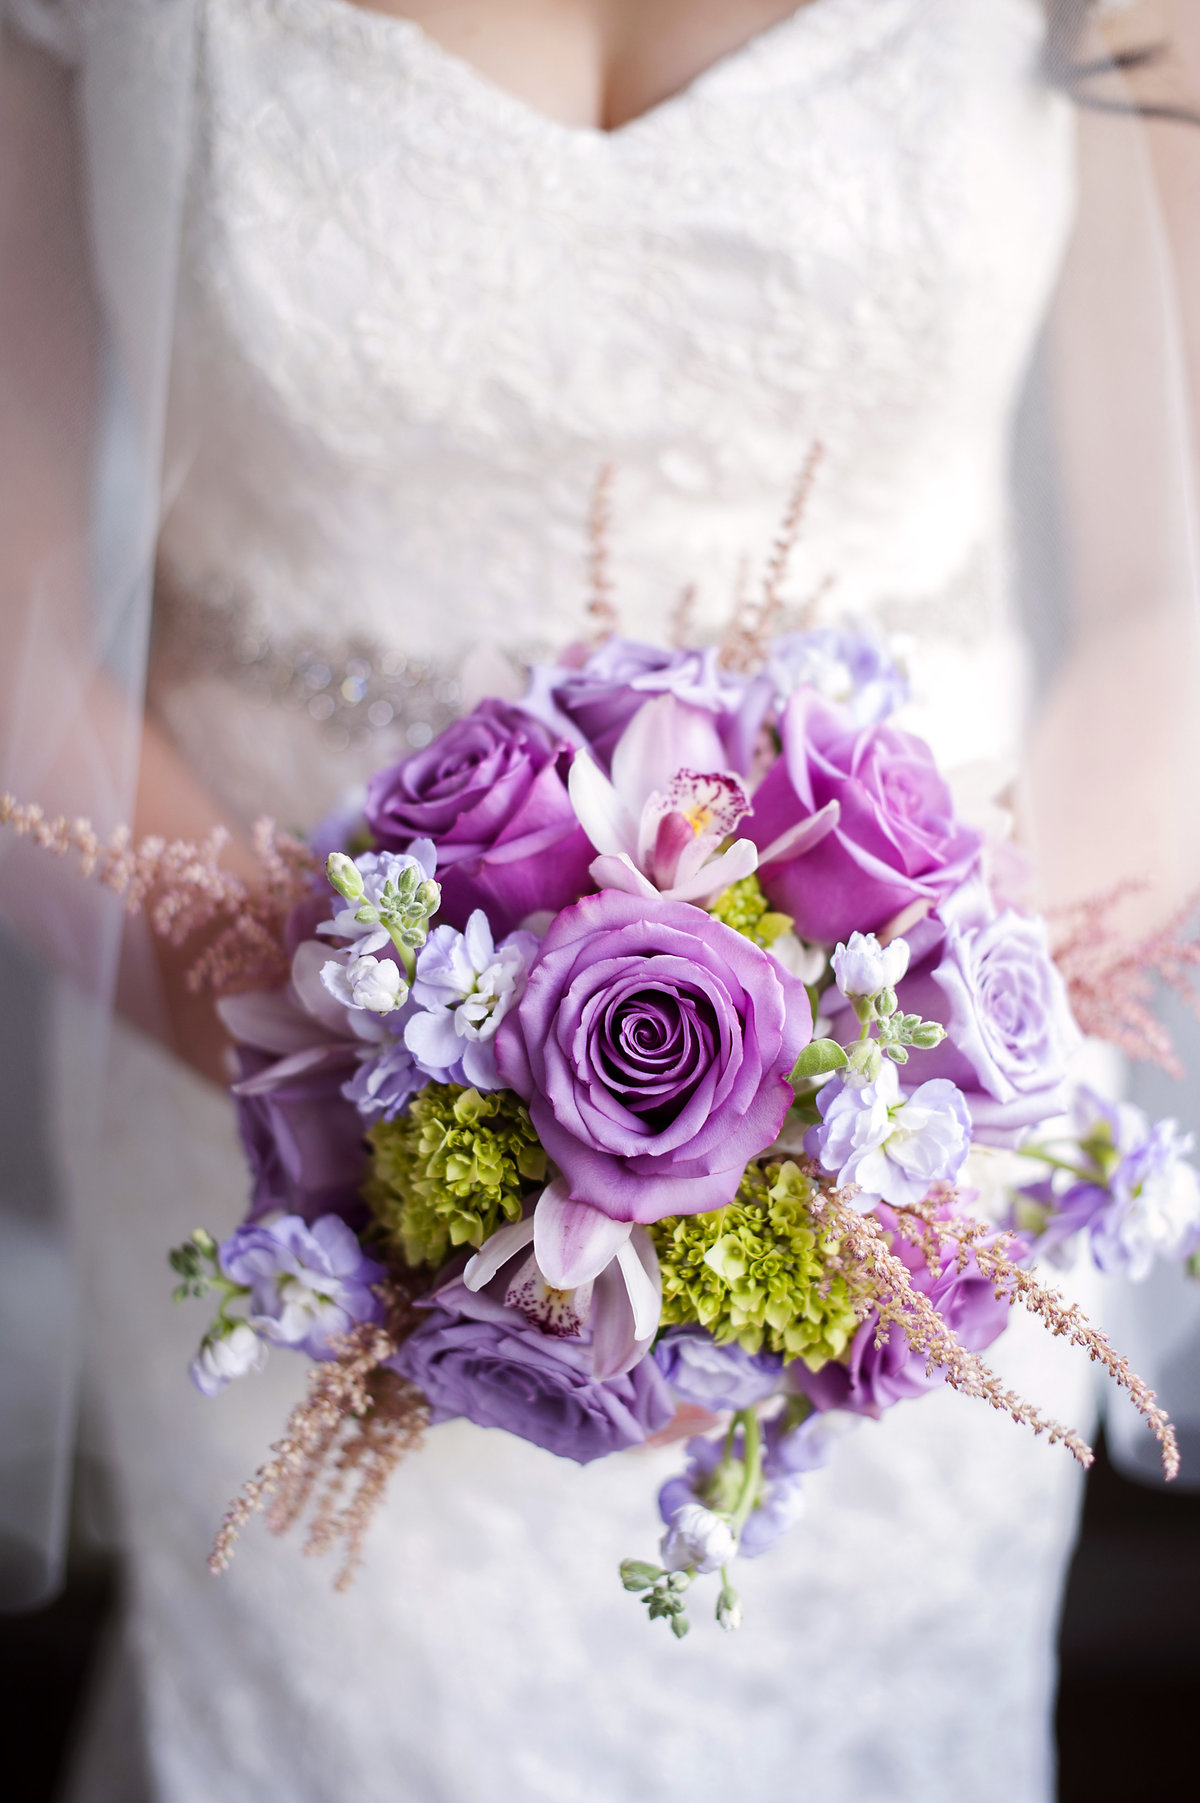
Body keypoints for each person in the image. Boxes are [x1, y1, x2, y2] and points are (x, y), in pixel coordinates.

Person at [1, 2, 1198, 1799]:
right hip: (262, 1118)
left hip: (932, 1163)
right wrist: (349, 1076)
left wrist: (900, 1108)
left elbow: (1168, 594)